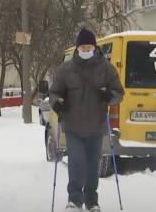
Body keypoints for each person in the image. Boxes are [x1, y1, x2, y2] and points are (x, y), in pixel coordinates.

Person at [49, 28, 124, 212]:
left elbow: (119, 93)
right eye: (82, 47)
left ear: (94, 47)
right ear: (77, 48)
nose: (85, 50)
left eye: (88, 46)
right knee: (76, 162)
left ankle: (91, 201)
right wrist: (57, 103)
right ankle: (74, 200)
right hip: (73, 125)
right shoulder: (66, 69)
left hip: (96, 126)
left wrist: (109, 96)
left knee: (92, 166)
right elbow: (54, 92)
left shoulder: (105, 68)